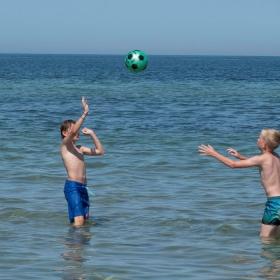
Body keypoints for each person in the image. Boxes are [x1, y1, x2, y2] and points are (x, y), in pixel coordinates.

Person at [198, 129, 280, 238]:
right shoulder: (276, 157)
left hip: (274, 204)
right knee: (276, 237)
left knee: (265, 238)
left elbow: (233, 165)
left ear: (264, 143)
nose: (257, 139)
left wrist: (213, 153)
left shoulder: (262, 158)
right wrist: (240, 156)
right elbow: (259, 163)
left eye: (259, 138)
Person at [60, 97, 104, 227]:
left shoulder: (80, 149)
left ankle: (75, 246)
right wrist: (84, 113)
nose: (77, 131)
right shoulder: (65, 146)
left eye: (77, 128)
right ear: (64, 133)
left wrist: (92, 134)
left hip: (83, 188)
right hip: (72, 187)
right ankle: (75, 245)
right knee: (79, 221)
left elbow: (100, 151)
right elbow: (73, 131)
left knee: (83, 221)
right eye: (74, 129)